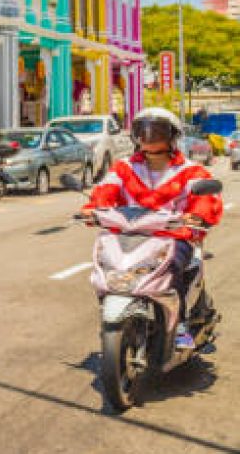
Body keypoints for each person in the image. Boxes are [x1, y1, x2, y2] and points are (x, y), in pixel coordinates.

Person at [82, 107, 223, 350]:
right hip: (128, 235)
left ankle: (179, 324)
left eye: (157, 131)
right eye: (144, 131)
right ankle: (112, 312)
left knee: (176, 267)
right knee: (106, 263)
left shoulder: (190, 170)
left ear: (172, 136)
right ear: (136, 136)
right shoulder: (124, 168)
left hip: (172, 237)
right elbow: (105, 192)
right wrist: (93, 209)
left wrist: (197, 215)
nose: (150, 137)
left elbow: (206, 199)